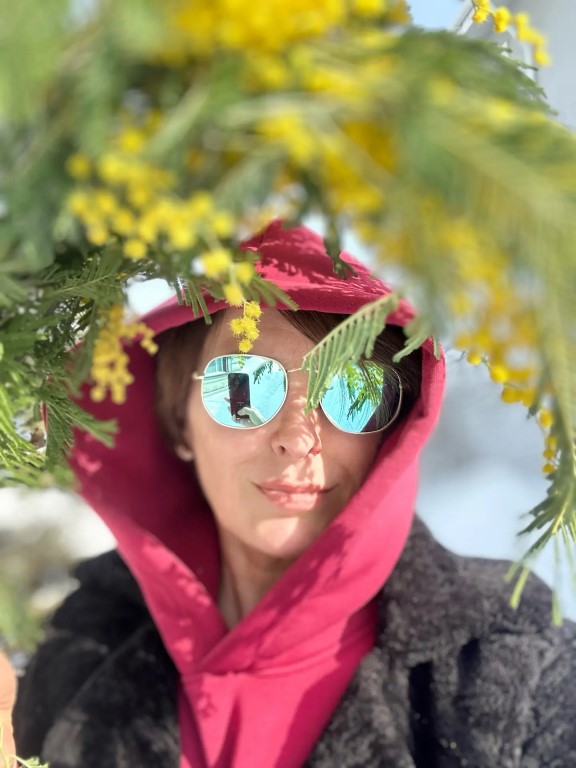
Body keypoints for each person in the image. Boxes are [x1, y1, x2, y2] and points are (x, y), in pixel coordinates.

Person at [12, 220, 576, 767]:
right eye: (242, 386)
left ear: (391, 433)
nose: (298, 439)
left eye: (352, 391)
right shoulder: (80, 648)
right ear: (180, 420)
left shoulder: (518, 667)